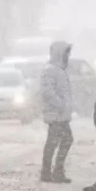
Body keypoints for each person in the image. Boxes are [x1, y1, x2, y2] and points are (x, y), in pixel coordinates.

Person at [40, 40, 74, 183]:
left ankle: (49, 172)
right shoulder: (51, 70)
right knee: (61, 141)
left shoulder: (59, 70)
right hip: (56, 114)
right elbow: (47, 91)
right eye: (66, 53)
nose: (68, 56)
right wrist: (60, 105)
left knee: (56, 142)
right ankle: (53, 172)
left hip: (61, 114)